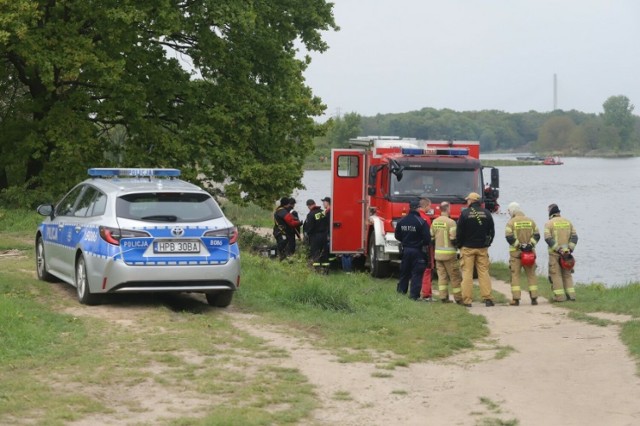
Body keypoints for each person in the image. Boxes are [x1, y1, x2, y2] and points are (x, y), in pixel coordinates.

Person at [456, 192, 495, 307]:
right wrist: (488, 243)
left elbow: (459, 232)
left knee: (467, 273)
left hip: (467, 248)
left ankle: (467, 300)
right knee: (483, 272)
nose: (467, 201)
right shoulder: (487, 213)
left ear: (472, 201)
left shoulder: (465, 214)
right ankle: (488, 298)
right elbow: (492, 232)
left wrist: (460, 245)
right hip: (482, 248)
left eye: (468, 200)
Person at [505, 202, 541, 306]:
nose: (508, 213)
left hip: (516, 255)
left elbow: (509, 237)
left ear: (512, 211)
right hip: (529, 254)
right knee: (531, 275)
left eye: (509, 211)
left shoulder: (511, 223)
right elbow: (537, 235)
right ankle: (534, 298)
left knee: (515, 276)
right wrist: (530, 245)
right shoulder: (531, 221)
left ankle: (516, 299)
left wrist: (519, 246)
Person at [395, 198, 431, 301]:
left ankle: (401, 292)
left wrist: (406, 241)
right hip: (418, 251)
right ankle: (414, 296)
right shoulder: (421, 222)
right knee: (417, 273)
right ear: (418, 208)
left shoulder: (401, 221)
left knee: (404, 272)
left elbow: (397, 236)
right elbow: (427, 239)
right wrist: (419, 243)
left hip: (405, 250)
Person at [544, 203, 579, 302]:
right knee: (567, 274)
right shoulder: (568, 222)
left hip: (555, 255)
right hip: (567, 255)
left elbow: (548, 238)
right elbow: (575, 237)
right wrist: (570, 250)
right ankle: (571, 296)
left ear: (550, 213)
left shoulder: (549, 223)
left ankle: (559, 297)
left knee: (556, 275)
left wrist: (558, 250)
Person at [431, 201, 463, 304]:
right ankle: (458, 298)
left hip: (438, 255)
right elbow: (453, 238)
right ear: (448, 209)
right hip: (449, 255)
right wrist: (459, 247)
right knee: (455, 277)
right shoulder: (451, 222)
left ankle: (443, 297)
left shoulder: (435, 222)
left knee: (442, 277)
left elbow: (431, 237)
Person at [304, 199, 330, 273]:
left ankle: (317, 269)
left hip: (315, 236)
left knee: (315, 252)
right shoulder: (322, 212)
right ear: (315, 203)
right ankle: (326, 270)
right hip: (324, 235)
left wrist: (307, 234)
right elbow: (327, 223)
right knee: (324, 252)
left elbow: (310, 227)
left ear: (308, 206)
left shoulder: (311, 214)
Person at [418, 197, 434, 301]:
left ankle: (420, 292)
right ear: (425, 206)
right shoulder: (426, 219)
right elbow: (429, 235)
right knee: (427, 270)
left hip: (415, 247)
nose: (430, 208)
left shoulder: (415, 216)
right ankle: (426, 293)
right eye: (429, 206)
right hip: (426, 247)